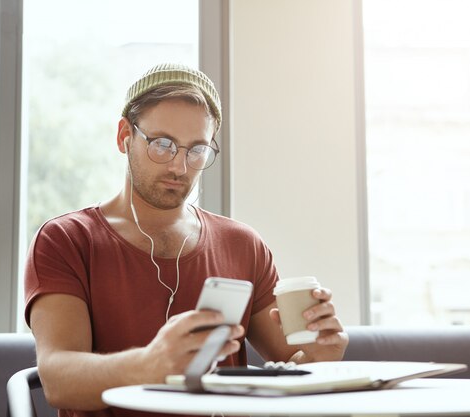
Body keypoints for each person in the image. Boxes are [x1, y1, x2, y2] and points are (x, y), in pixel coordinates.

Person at [24, 63, 348, 417]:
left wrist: (322, 355)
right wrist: (151, 364)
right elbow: (58, 380)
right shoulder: (66, 240)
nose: (180, 167)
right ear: (123, 136)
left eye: (197, 150)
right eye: (162, 145)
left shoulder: (242, 244)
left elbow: (293, 363)